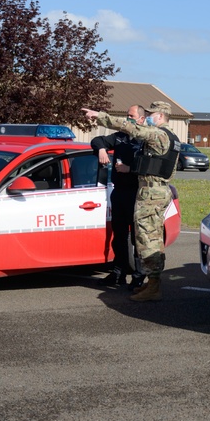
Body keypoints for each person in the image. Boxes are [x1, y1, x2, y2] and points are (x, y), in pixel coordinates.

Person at [82, 100, 182, 302]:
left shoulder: (160, 134)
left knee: (147, 241)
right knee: (151, 239)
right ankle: (152, 283)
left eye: (152, 114)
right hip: (155, 191)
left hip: (151, 194)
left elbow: (130, 127)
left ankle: (153, 286)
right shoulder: (172, 136)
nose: (150, 118)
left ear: (160, 116)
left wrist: (100, 115)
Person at [90, 104, 145, 289]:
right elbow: (97, 140)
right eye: (126, 115)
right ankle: (118, 273)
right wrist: (102, 149)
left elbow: (153, 166)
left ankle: (138, 277)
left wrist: (131, 169)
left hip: (137, 193)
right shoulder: (120, 136)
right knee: (119, 235)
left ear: (141, 119)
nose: (128, 119)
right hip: (119, 192)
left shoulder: (146, 139)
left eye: (131, 116)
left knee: (137, 238)